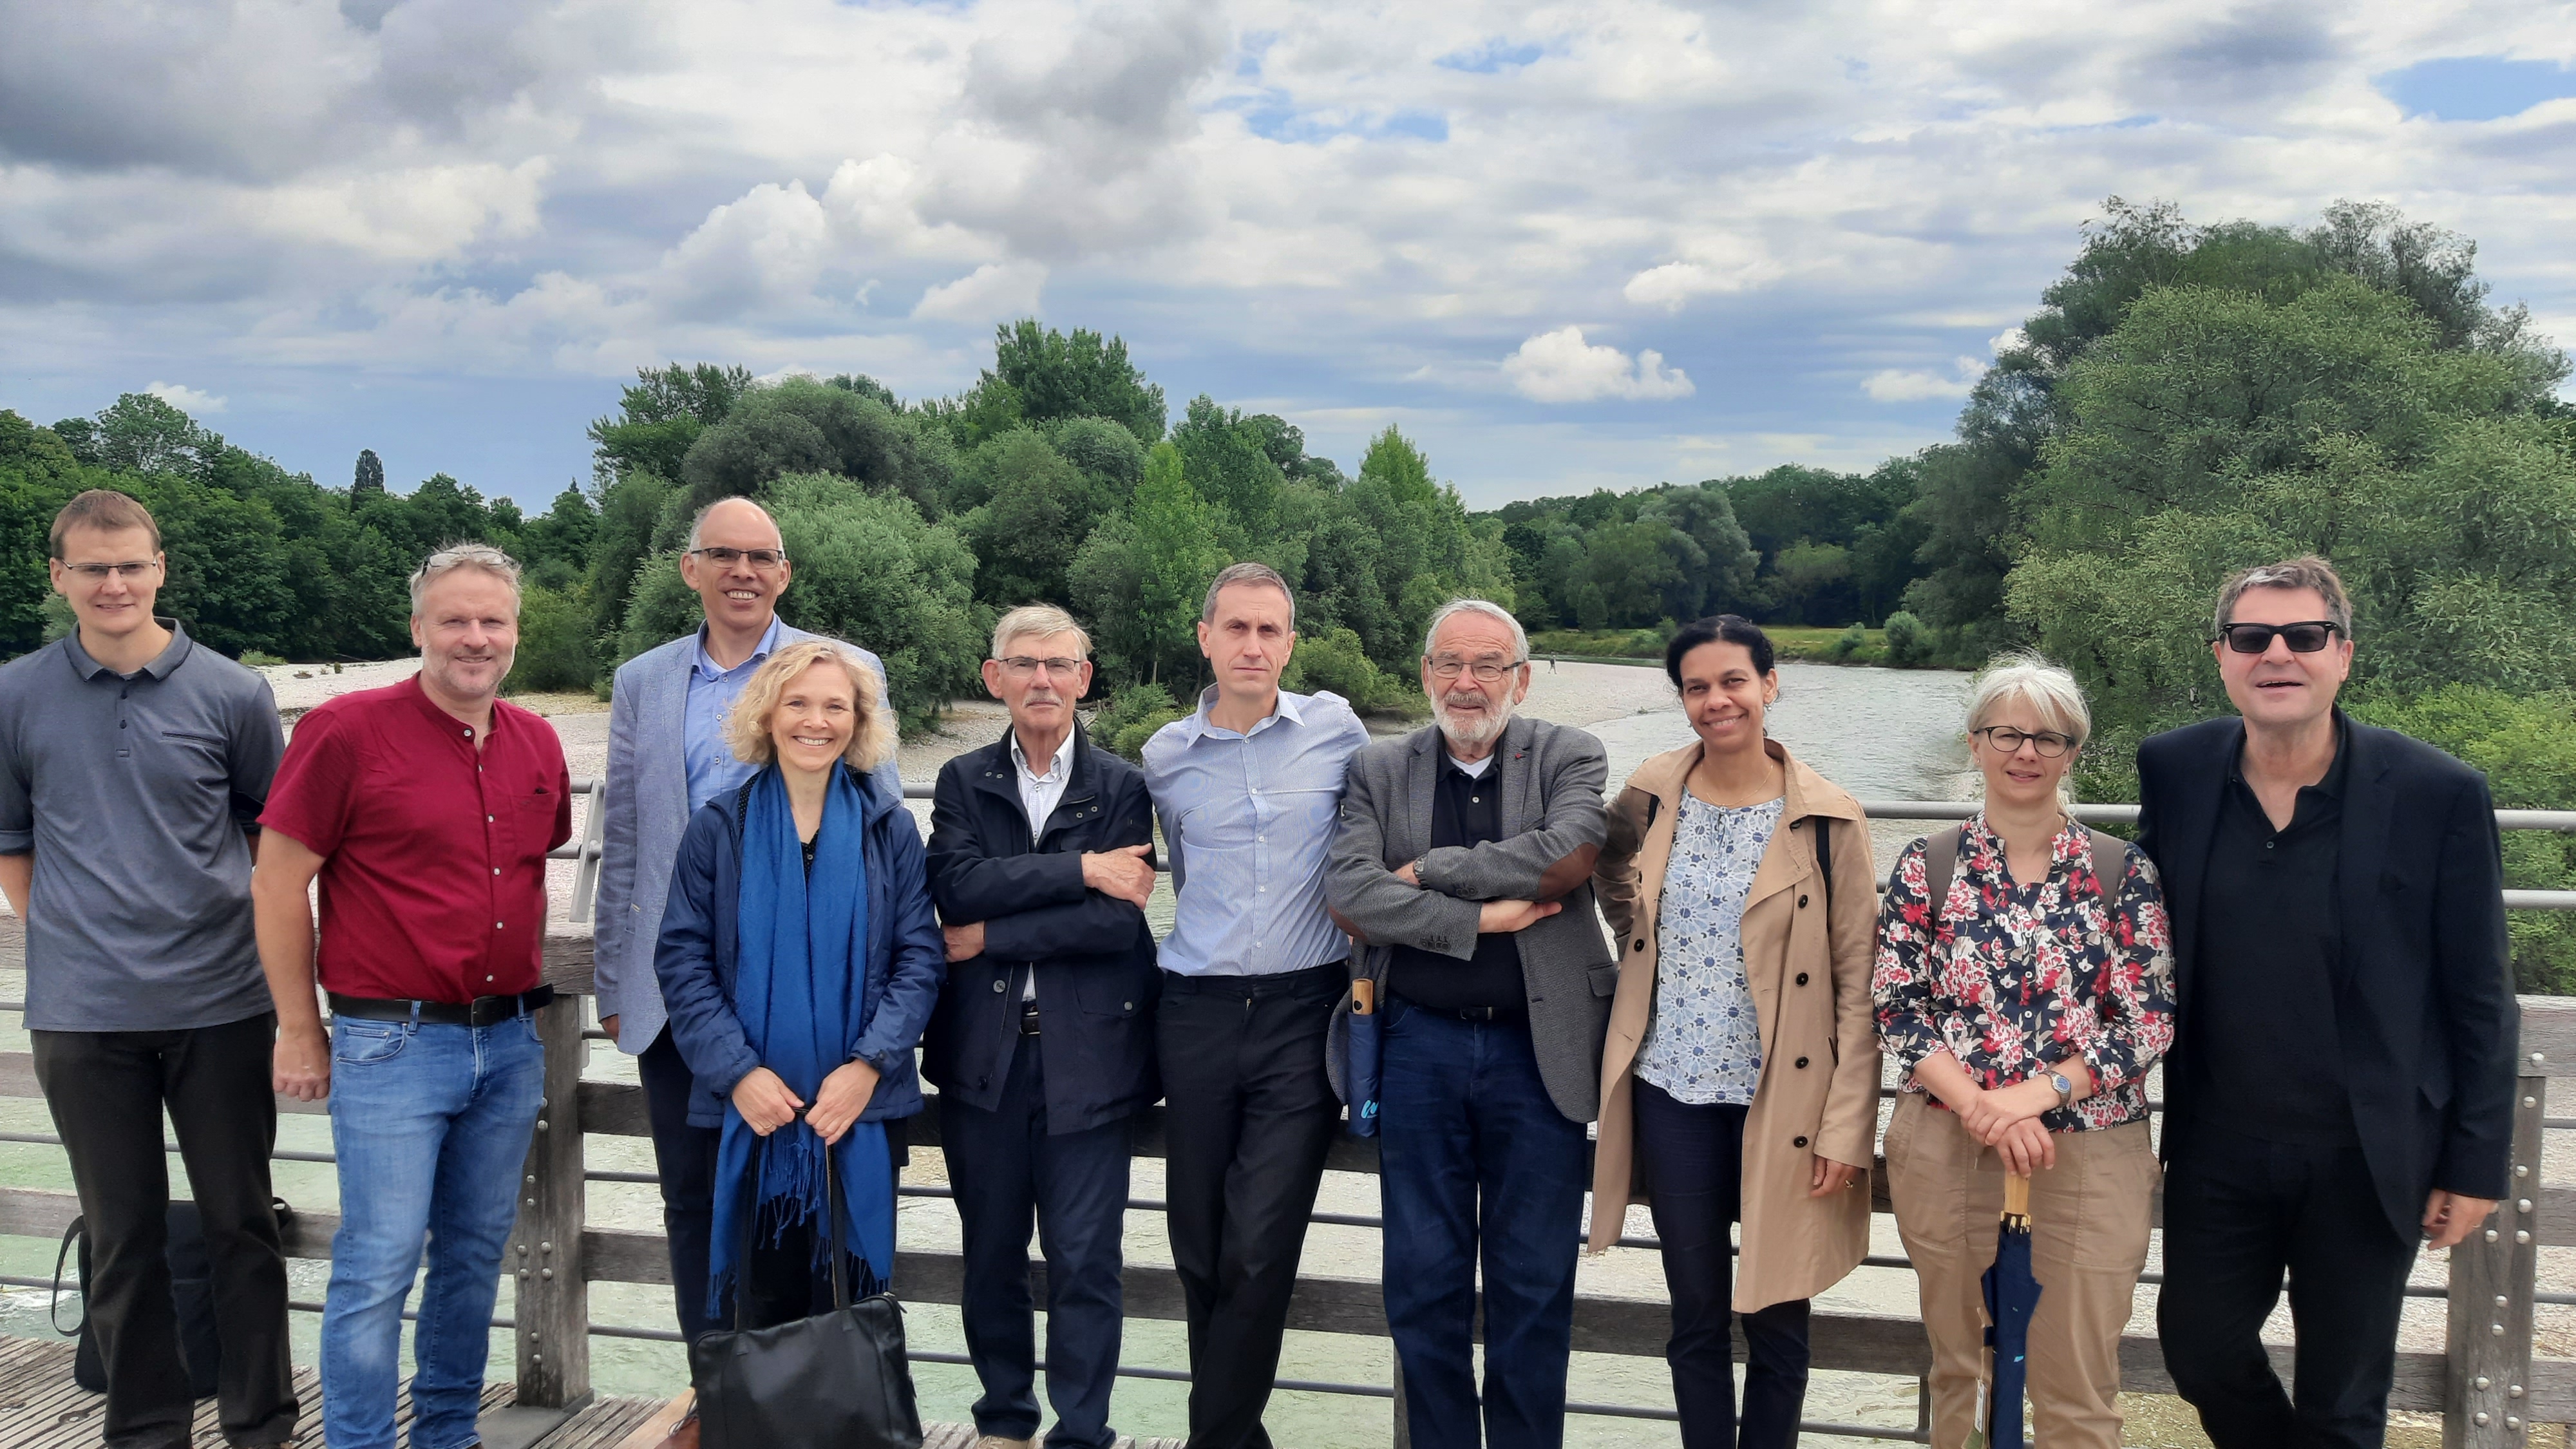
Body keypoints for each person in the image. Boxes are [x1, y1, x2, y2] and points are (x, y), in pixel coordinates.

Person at [2141, 557, 2515, 1449]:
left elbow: (2479, 992)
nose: (2278, 654)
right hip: (2219, 1144)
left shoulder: (2437, 791)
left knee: (2344, 1400)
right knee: (2198, 1351)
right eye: (2251, 637)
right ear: (2222, 655)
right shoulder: (2178, 768)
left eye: (2304, 636)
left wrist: (2475, 1163)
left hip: (2368, 1150)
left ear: (2342, 655)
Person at [252, 544, 571, 1449]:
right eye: (455, 620)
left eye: (493, 621)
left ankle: (445, 1435)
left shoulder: (539, 740)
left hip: (510, 1042)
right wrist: (299, 1028)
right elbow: (278, 886)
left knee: (472, 1259)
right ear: (418, 629)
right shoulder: (345, 731)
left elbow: (529, 869)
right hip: (390, 1042)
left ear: (515, 631)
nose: (476, 638)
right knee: (378, 1265)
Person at [0, 490, 296, 1449]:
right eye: (93, 567)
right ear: (60, 577)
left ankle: (261, 1424)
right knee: (120, 1239)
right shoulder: (13, 695)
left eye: (131, 564)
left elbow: (273, 844)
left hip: (221, 1001)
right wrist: (79, 939)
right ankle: (146, 1430)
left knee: (242, 1225)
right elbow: (13, 845)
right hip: (83, 1016)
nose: (115, 583)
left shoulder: (234, 693)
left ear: (161, 567)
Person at [590, 499, 901, 1366]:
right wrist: (617, 983)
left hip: (825, 1011)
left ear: (785, 572)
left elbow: (888, 848)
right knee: (695, 1206)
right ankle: (719, 1389)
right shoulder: (644, 680)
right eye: (723, 554)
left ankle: (814, 1402)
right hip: (682, 1005)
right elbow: (627, 844)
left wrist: (873, 1041)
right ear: (690, 566)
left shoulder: (841, 670)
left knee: (818, 1212)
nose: (743, 571)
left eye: (762, 555)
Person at [1323, 598, 1614, 1449]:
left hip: (1542, 1050)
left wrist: (1430, 873)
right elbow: (1350, 895)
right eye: (1449, 661)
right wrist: (1479, 920)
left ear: (1519, 677)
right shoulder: (1378, 768)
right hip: (1418, 1045)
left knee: (1533, 1282)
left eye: (1488, 664)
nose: (1466, 681)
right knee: (1422, 1278)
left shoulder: (1570, 753)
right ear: (1424, 673)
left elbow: (1568, 854)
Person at [1585, 614, 1879, 1449]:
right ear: (1682, 698)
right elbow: (1609, 865)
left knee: (1781, 1322)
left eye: (1734, 682)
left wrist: (1848, 1125)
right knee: (1697, 1318)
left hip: (1784, 1100)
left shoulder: (1830, 819)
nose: (1717, 701)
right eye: (1697, 687)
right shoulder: (1650, 789)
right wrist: (1633, 929)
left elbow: (1860, 983)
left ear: (1770, 684)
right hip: (1672, 1086)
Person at [1872, 654, 2175, 1449]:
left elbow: (2144, 1021)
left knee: (2075, 1382)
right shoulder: (1926, 865)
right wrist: (1981, 1107)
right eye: (2006, 732)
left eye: (2048, 736)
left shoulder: (2121, 873)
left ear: (2073, 751)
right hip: (1947, 1143)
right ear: (1974, 743)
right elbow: (1898, 1010)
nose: (2026, 751)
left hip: (2086, 1150)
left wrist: (2031, 1096)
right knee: (1958, 1372)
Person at [1141, 562, 1371, 1449]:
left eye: (1270, 630)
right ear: (1205, 637)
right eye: (1236, 627)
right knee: (1198, 1244)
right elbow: (1170, 871)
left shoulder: (1338, 728)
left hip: (1302, 1011)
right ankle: (1239, 1438)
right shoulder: (1164, 756)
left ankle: (1213, 1441)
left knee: (1260, 1245)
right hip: (1192, 1009)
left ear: (1290, 642)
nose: (1253, 645)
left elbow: (1398, 817)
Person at [653, 639, 942, 1329]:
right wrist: (740, 1073)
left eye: (835, 706)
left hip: (860, 1109)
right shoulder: (718, 829)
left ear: (858, 721)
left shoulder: (890, 829)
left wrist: (868, 1067)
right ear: (767, 714)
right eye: (799, 703)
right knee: (757, 1310)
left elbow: (920, 958)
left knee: (850, 1306)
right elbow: (682, 961)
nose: (816, 721)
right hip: (751, 1109)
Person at [925, 605, 1160, 1449]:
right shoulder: (961, 781)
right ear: (995, 678)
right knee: (990, 1253)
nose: (1042, 680)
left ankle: (1083, 1430)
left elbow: (1114, 925)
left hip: (1089, 1059)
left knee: (1086, 1261)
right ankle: (1003, 1422)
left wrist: (994, 934)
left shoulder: (1123, 786)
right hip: (982, 1058)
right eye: (1023, 664)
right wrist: (1078, 870)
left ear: (1084, 678)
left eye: (1059, 665)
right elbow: (958, 887)